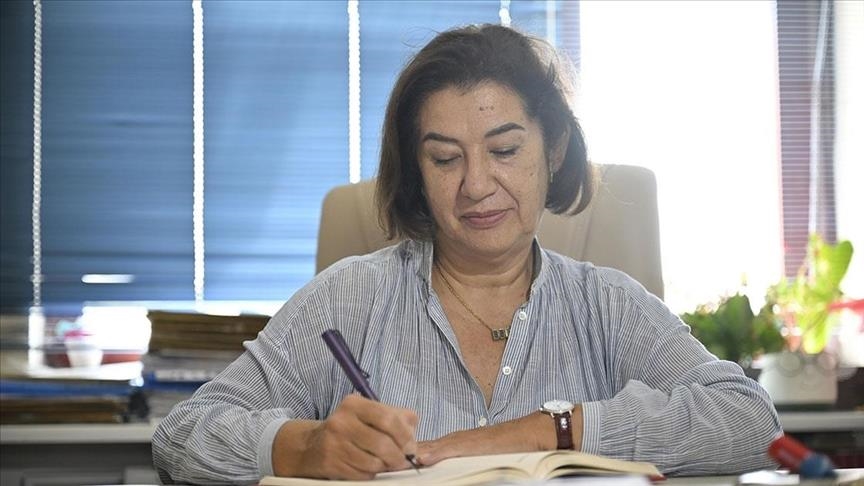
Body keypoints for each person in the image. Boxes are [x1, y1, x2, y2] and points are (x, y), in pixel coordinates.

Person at [152, 24, 781, 484]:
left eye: (504, 150)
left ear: (554, 150)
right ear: (417, 172)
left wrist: (554, 430)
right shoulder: (350, 297)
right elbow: (182, 435)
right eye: (445, 158)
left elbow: (751, 422)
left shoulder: (607, 305)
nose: (476, 184)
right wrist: (300, 447)